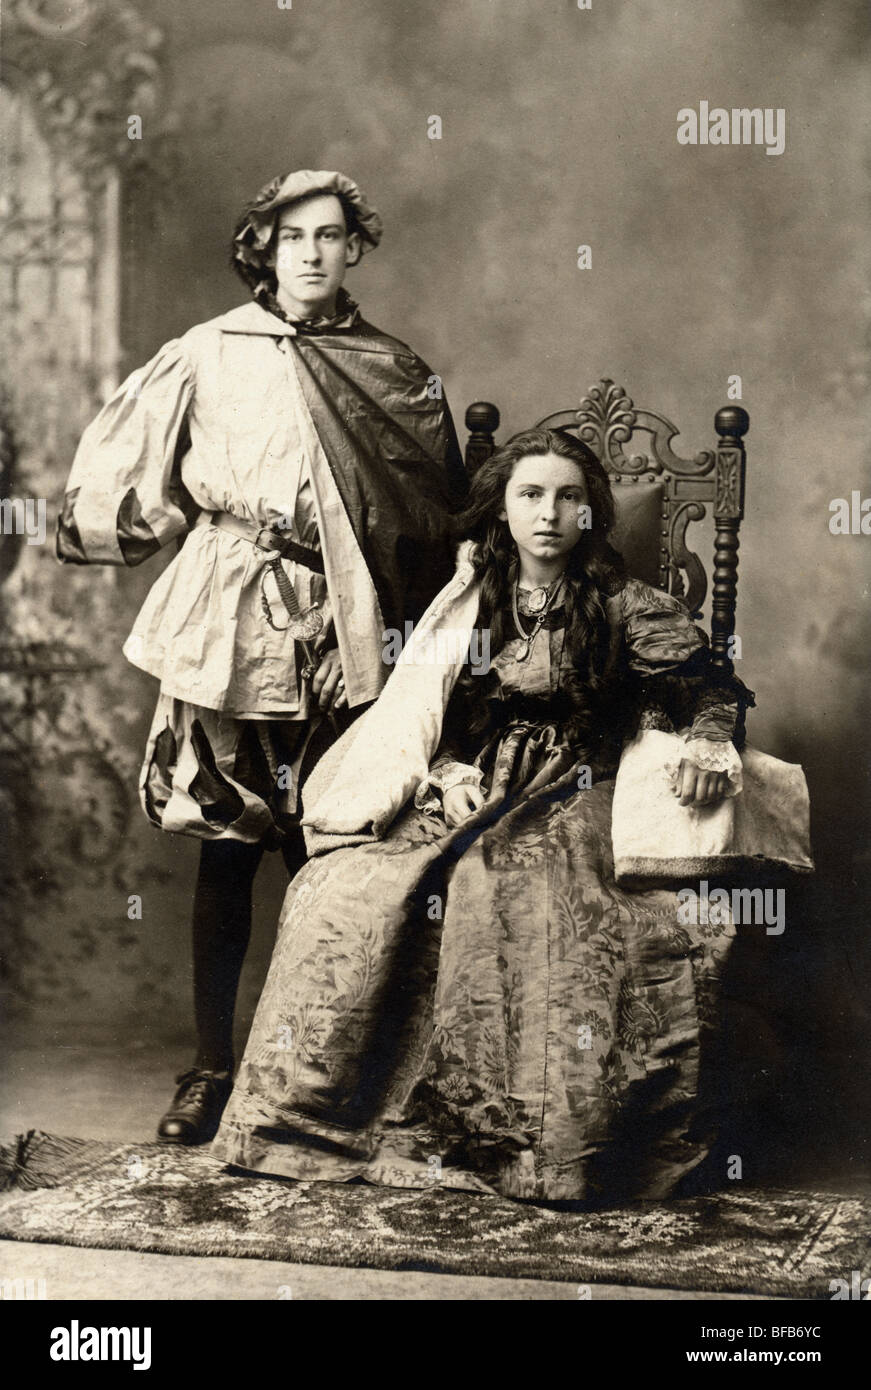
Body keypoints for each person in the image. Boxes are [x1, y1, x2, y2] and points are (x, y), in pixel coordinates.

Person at [211, 427, 764, 1204]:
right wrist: (440, 775)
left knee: (520, 888)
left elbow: (708, 689)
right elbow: (427, 709)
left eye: (568, 497)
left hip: (579, 785)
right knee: (345, 888)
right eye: (530, 495)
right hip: (474, 786)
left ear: (590, 514)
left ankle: (534, 1146)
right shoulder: (469, 599)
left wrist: (707, 746)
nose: (548, 514)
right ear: (500, 510)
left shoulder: (621, 601)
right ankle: (323, 1123)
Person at [56, 169, 466, 1144]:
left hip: (342, 624)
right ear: (263, 249)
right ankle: (209, 1069)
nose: (314, 253)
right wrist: (135, 525)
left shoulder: (390, 370)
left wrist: (369, 632)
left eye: (331, 236)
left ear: (355, 248)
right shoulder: (209, 350)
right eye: (294, 238)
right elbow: (130, 472)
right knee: (227, 856)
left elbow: (424, 525)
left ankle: (319, 1075)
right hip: (226, 620)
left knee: (325, 854)